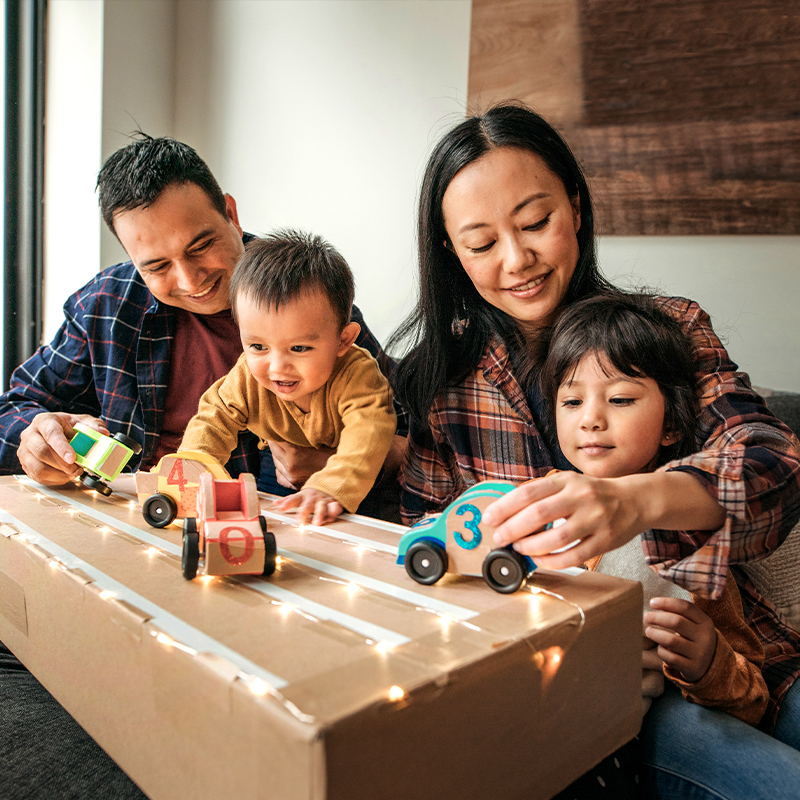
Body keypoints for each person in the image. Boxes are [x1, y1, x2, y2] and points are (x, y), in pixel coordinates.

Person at [390, 102, 800, 798]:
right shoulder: (439, 383)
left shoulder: (667, 328)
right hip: (583, 696)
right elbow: (422, 561)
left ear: (575, 208)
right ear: (452, 252)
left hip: (739, 653)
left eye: (535, 223)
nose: (517, 260)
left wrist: (634, 500)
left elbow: (774, 466)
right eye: (482, 242)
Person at [0, 135, 405, 799]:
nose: (189, 280)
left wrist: (331, 468)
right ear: (130, 258)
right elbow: (16, 404)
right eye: (156, 264)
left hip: (267, 563)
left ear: (231, 212)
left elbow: (402, 440)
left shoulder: (304, 292)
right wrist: (35, 436)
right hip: (134, 545)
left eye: (201, 246)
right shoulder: (106, 306)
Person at [541, 291, 768, 725]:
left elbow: (753, 692)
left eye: (621, 399)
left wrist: (707, 661)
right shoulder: (538, 499)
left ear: (673, 425)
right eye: (572, 401)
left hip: (623, 727)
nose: (590, 418)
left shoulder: (689, 536)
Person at [181, 231, 397, 525]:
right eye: (258, 347)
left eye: (299, 348)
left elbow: (369, 432)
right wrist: (192, 465)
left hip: (355, 479)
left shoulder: (357, 374)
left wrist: (329, 487)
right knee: (271, 525)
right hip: (278, 472)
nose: (277, 367)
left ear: (343, 341)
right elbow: (213, 418)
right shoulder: (247, 376)